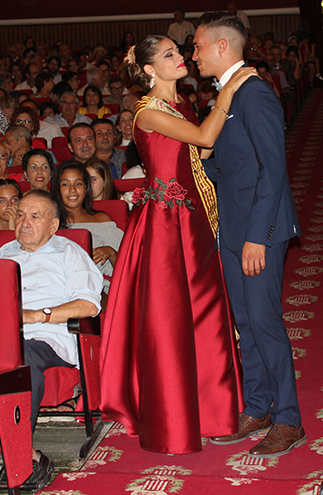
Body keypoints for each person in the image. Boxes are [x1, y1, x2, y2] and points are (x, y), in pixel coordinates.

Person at [100, 32, 254, 455]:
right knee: (171, 318)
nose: (181, 57)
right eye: (170, 55)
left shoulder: (180, 103)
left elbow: (199, 155)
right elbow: (203, 138)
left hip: (192, 216)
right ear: (151, 69)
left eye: (178, 51)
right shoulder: (148, 111)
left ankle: (212, 411)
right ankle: (173, 421)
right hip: (165, 225)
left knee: (203, 311)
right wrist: (228, 91)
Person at [193, 12, 304, 457]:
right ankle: (258, 406)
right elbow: (230, 167)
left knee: (263, 320)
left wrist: (258, 235)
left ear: (222, 46)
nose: (193, 55)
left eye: (198, 46)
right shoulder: (225, 96)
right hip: (234, 227)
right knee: (244, 322)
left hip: (261, 229)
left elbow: (272, 169)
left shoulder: (254, 93)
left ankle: (289, 418)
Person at [0, 191, 102, 488]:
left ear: (53, 226)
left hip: (47, 337)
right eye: (20, 215)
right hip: (1, 336)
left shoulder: (69, 253)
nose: (24, 222)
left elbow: (88, 305)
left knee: (22, 359)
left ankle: (19, 453)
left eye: (34, 216)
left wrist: (38, 315)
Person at [51, 160, 124, 290]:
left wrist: (111, 252)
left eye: (78, 183)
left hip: (100, 287)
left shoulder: (101, 220)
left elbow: (127, 268)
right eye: (65, 184)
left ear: (86, 187)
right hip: (58, 286)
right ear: (57, 188)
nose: (72, 190)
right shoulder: (48, 222)